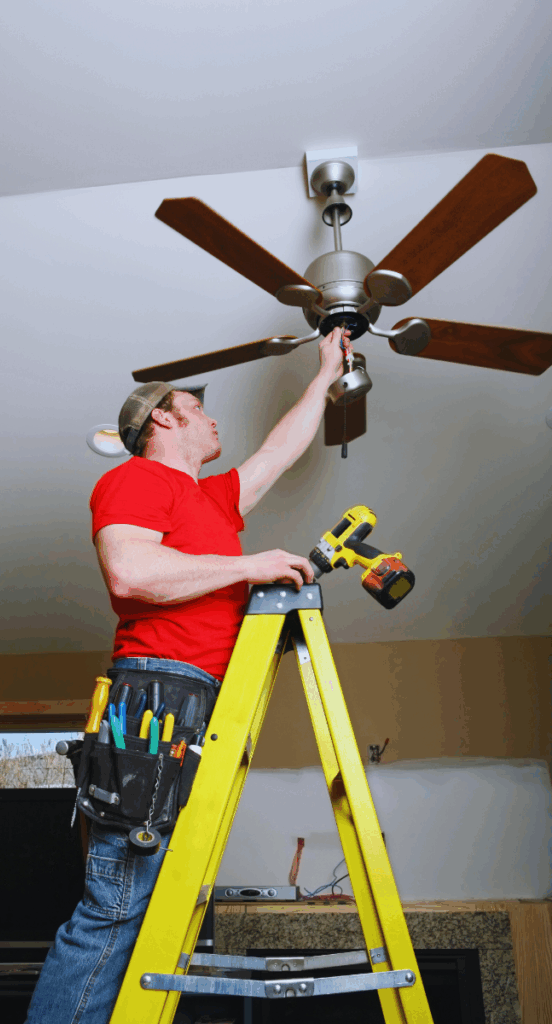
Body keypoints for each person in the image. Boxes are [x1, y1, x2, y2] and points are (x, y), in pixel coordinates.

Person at [25, 326, 351, 1024]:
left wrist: (324, 374)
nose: (210, 416)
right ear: (163, 418)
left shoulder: (211, 501)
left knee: (154, 908)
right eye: (195, 407)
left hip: (200, 699)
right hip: (157, 689)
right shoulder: (134, 478)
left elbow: (277, 452)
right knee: (115, 906)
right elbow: (132, 573)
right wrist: (248, 564)